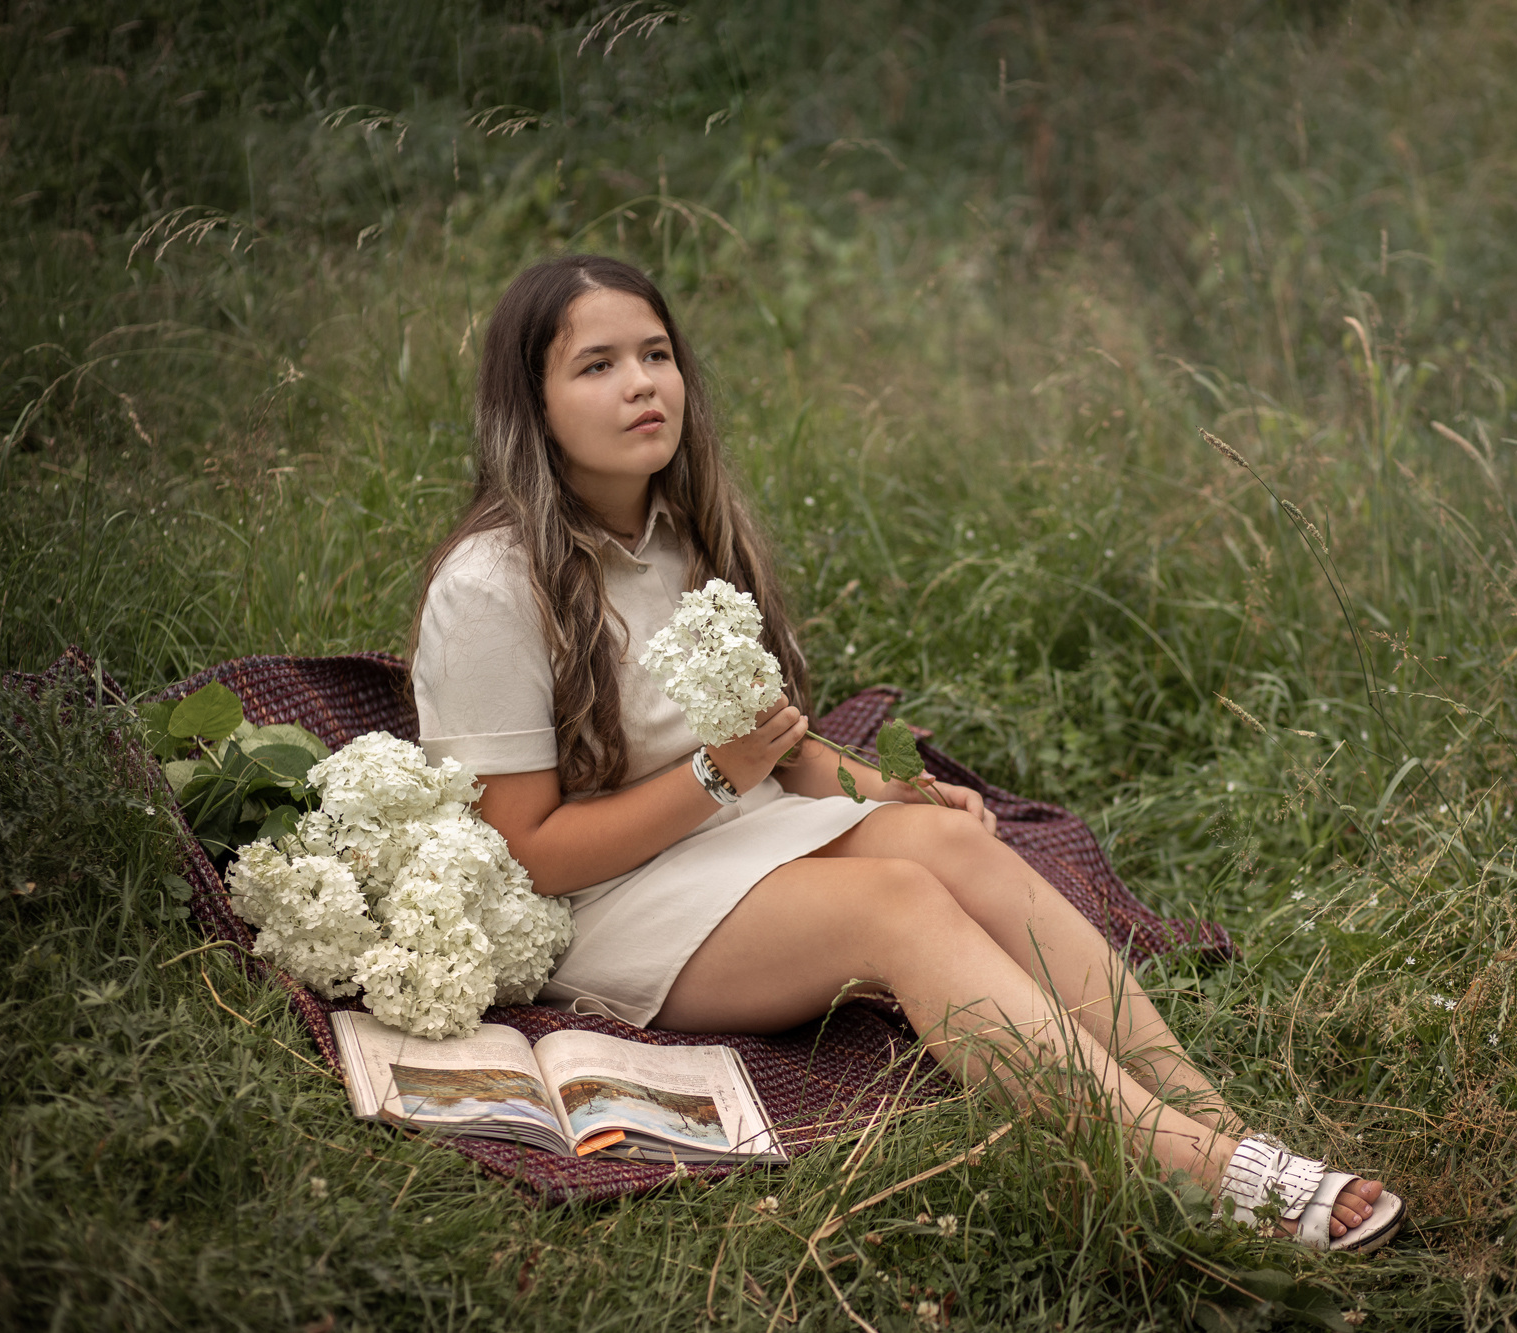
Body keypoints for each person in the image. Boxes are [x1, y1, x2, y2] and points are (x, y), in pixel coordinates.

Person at [409, 254, 1404, 1252]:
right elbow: (527, 849)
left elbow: (775, 747)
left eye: (656, 354)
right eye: (596, 365)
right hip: (597, 901)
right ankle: (1194, 1172)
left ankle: (1213, 1115)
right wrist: (717, 776)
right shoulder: (492, 585)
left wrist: (886, 791)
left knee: (951, 847)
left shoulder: (683, 534)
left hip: (723, 831)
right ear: (531, 405)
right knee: (897, 904)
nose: (640, 384)